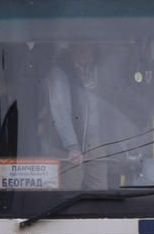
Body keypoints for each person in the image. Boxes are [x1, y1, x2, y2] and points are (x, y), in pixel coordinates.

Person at [45, 43, 109, 189]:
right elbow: (61, 112)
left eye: (89, 46)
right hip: (69, 146)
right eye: (81, 47)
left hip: (95, 142)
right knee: (70, 190)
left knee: (100, 191)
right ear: (71, 49)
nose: (87, 51)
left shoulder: (96, 69)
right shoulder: (59, 72)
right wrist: (72, 146)